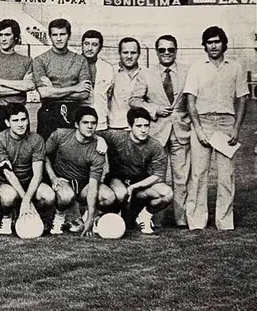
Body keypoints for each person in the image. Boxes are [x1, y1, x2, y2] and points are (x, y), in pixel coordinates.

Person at [183, 26, 248, 231]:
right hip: (203, 122)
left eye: (217, 41)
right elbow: (190, 102)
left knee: (226, 175)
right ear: (204, 45)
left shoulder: (235, 67)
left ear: (224, 44)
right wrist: (199, 129)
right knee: (198, 174)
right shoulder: (196, 68)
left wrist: (236, 129)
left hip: (226, 124)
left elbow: (242, 99)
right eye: (209, 42)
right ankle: (196, 221)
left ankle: (224, 221)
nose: (213, 46)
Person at [129, 35, 191, 228]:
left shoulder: (188, 72)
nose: (166, 53)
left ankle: (182, 219)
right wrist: (154, 109)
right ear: (157, 52)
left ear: (176, 50)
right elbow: (134, 100)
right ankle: (154, 219)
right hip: (156, 133)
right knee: (156, 176)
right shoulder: (146, 74)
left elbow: (193, 100)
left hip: (181, 131)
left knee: (182, 177)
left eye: (170, 50)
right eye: (162, 50)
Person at [99, 107, 173, 234]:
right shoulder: (117, 137)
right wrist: (100, 140)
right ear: (130, 126)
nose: (143, 130)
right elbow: (94, 133)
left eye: (146, 126)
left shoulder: (155, 145)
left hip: (140, 184)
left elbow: (157, 175)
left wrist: (133, 187)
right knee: (121, 193)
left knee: (166, 193)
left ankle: (144, 216)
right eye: (139, 126)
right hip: (117, 180)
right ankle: (108, 215)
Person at [45, 106, 115, 236]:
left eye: (93, 123)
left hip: (84, 184)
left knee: (108, 197)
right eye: (85, 122)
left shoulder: (98, 149)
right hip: (63, 180)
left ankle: (90, 216)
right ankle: (59, 217)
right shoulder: (60, 135)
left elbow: (93, 186)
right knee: (66, 195)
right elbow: (44, 155)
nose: (90, 126)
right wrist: (53, 177)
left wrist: (90, 218)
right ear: (77, 124)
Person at [0, 104, 55, 235]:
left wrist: (27, 199)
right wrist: (26, 199)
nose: (20, 124)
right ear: (7, 123)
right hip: (7, 182)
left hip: (30, 181)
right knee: (8, 197)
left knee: (49, 196)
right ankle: (7, 217)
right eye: (15, 120)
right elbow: (8, 172)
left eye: (23, 119)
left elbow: (38, 175)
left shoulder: (36, 139)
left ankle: (36, 214)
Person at [32, 18, 91, 140]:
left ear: (69, 35)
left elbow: (84, 94)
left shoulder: (80, 60)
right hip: (49, 112)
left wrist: (53, 90)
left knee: (71, 155)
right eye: (55, 35)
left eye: (62, 34)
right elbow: (44, 93)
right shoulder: (40, 60)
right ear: (50, 36)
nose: (59, 39)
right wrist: (75, 88)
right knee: (47, 153)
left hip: (73, 111)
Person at [0, 19, 34, 147]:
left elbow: (30, 85)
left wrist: (2, 82)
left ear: (15, 36)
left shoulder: (27, 61)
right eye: (0, 35)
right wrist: (20, 88)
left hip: (19, 113)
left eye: (7, 35)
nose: (3, 39)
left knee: (21, 153)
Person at [81, 30, 114, 132]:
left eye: (94, 45)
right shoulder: (72, 65)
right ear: (81, 45)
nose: (90, 48)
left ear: (100, 47)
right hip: (79, 121)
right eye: (86, 44)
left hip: (101, 123)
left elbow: (109, 94)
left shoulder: (107, 68)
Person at [107, 37, 142, 130]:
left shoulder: (146, 73)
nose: (129, 56)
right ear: (119, 53)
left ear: (139, 54)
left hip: (139, 128)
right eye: (125, 52)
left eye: (133, 53)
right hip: (115, 127)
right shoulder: (110, 71)